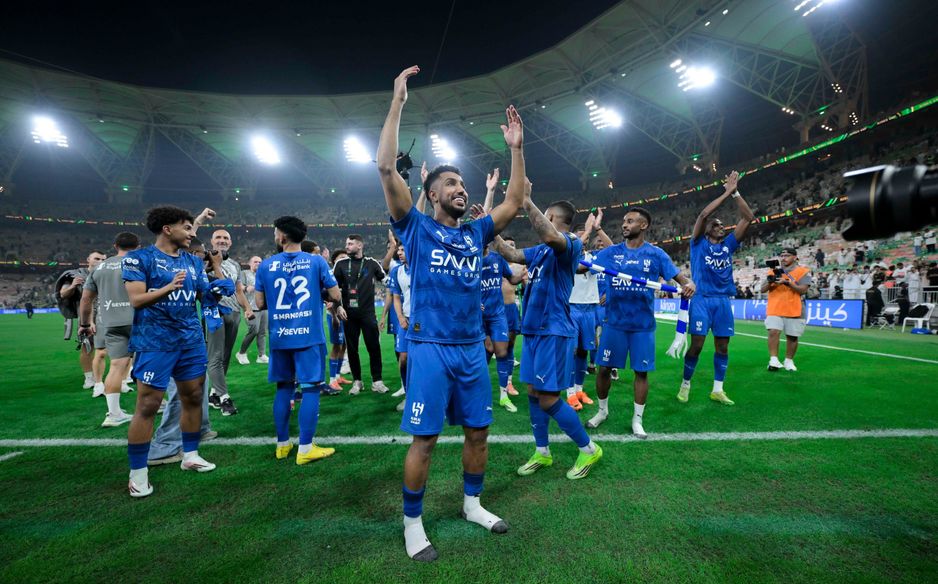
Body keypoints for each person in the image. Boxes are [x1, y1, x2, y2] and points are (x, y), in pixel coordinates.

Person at [377, 65, 525, 562]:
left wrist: (516, 148)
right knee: (425, 439)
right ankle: (412, 524)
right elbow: (385, 169)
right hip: (429, 348)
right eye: (452, 184)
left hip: (470, 350)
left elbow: (515, 200)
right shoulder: (415, 227)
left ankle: (472, 504)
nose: (461, 189)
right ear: (433, 193)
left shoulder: (475, 233)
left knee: (478, 432)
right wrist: (398, 103)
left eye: (464, 184)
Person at [122, 206, 235, 498]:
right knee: (148, 404)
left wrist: (216, 289)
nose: (191, 232)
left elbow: (202, 294)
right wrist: (169, 287)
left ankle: (191, 455)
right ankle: (138, 474)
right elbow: (137, 300)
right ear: (167, 229)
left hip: (190, 339)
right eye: (186, 227)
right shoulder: (139, 259)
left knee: (194, 397)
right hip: (155, 341)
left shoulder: (193, 262)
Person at [492, 187, 604, 479]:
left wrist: (527, 201)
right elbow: (511, 253)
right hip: (534, 331)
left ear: (551, 217)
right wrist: (491, 231)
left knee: (548, 398)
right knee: (533, 393)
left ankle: (589, 449)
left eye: (545, 215)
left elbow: (551, 236)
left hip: (553, 331)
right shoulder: (540, 250)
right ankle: (542, 452)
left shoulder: (570, 244)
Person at [585, 208, 696, 437]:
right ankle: (602, 411)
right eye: (624, 221)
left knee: (641, 373)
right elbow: (582, 267)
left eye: (630, 221)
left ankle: (637, 419)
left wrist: (690, 284)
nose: (624, 225)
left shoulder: (656, 255)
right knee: (604, 369)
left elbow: (682, 280)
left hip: (642, 326)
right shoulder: (611, 252)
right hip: (613, 323)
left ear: (643, 225)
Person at [255, 216, 345, 463]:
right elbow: (335, 294)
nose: (275, 236)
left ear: (283, 236)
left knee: (284, 388)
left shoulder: (266, 265)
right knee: (311, 388)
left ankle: (282, 445)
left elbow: (260, 303)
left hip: (280, 337)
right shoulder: (316, 261)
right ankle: (305, 448)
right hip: (309, 335)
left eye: (275, 232)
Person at [679, 171, 754, 406]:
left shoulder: (728, 246)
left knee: (723, 346)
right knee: (697, 345)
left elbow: (748, 217)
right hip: (701, 299)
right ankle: (685, 384)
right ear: (707, 229)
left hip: (722, 301)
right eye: (716, 225)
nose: (721, 227)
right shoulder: (697, 244)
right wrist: (725, 193)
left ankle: (717, 390)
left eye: (722, 225)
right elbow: (704, 214)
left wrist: (736, 193)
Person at [79, 232, 140, 427]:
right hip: (139, 321)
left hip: (111, 323)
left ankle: (114, 414)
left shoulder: (100, 267)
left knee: (116, 366)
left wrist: (84, 324)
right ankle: (156, 404)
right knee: (145, 364)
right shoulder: (140, 263)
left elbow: (86, 299)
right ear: (138, 247)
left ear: (115, 246)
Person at [332, 233, 395, 395]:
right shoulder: (340, 264)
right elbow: (333, 288)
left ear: (360, 245)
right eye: (347, 243)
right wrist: (338, 306)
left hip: (368, 314)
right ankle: (357, 382)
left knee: (374, 347)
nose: (347, 246)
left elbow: (386, 280)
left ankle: (377, 381)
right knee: (352, 349)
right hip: (348, 314)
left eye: (350, 244)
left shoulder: (371, 263)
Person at [565, 210, 611, 410]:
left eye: (585, 236)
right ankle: (569, 393)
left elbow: (612, 249)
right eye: (578, 236)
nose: (582, 240)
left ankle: (579, 390)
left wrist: (597, 228)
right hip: (572, 308)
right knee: (572, 351)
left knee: (584, 350)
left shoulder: (593, 257)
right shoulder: (566, 256)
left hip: (590, 309)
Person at [206, 229, 255, 416]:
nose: (222, 240)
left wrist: (247, 308)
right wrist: (214, 264)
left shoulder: (235, 264)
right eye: (218, 237)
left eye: (225, 238)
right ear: (212, 241)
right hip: (215, 311)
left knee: (225, 356)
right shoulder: (204, 261)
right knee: (216, 357)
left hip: (234, 312)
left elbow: (238, 290)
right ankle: (224, 397)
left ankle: (214, 394)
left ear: (231, 242)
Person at [56, 251, 107, 389]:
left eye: (103, 259)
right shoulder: (75, 275)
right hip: (86, 316)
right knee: (87, 347)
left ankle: (121, 376)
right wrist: (73, 285)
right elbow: (63, 294)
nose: (100, 261)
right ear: (88, 259)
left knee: (111, 347)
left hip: (106, 314)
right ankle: (89, 378)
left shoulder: (107, 273)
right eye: (97, 258)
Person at [761, 247, 811, 372]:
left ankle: (789, 361)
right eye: (782, 256)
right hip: (775, 307)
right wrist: (770, 282)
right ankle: (773, 360)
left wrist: (787, 282)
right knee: (773, 331)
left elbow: (803, 290)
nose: (783, 258)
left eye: (787, 255)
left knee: (792, 337)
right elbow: (762, 289)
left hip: (795, 308)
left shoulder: (803, 271)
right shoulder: (773, 271)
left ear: (795, 257)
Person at [387, 240, 412, 412]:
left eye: (403, 249)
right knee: (403, 358)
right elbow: (396, 297)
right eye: (399, 250)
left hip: (424, 320)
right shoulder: (397, 271)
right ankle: (408, 395)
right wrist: (401, 317)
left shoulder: (423, 267)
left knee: (426, 360)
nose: (400, 252)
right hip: (406, 319)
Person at [325, 249, 352, 393]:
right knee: (336, 346)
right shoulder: (330, 276)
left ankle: (337, 376)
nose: (344, 259)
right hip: (335, 315)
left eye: (346, 257)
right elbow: (328, 300)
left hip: (346, 315)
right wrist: (334, 315)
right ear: (334, 261)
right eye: (341, 258)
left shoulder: (347, 275)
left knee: (344, 346)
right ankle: (332, 381)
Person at [500, 236, 524, 394]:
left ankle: (508, 382)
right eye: (507, 245)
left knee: (509, 347)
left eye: (513, 245)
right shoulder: (495, 262)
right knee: (487, 348)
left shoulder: (520, 266)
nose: (510, 247)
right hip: (493, 310)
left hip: (510, 309)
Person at [235, 255, 268, 365]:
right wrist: (246, 288)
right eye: (255, 262)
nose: (258, 264)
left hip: (264, 306)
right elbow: (239, 287)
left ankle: (261, 355)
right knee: (254, 330)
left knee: (262, 332)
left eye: (260, 262)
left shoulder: (264, 275)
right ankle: (241, 353)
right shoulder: (244, 273)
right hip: (250, 307)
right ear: (249, 263)